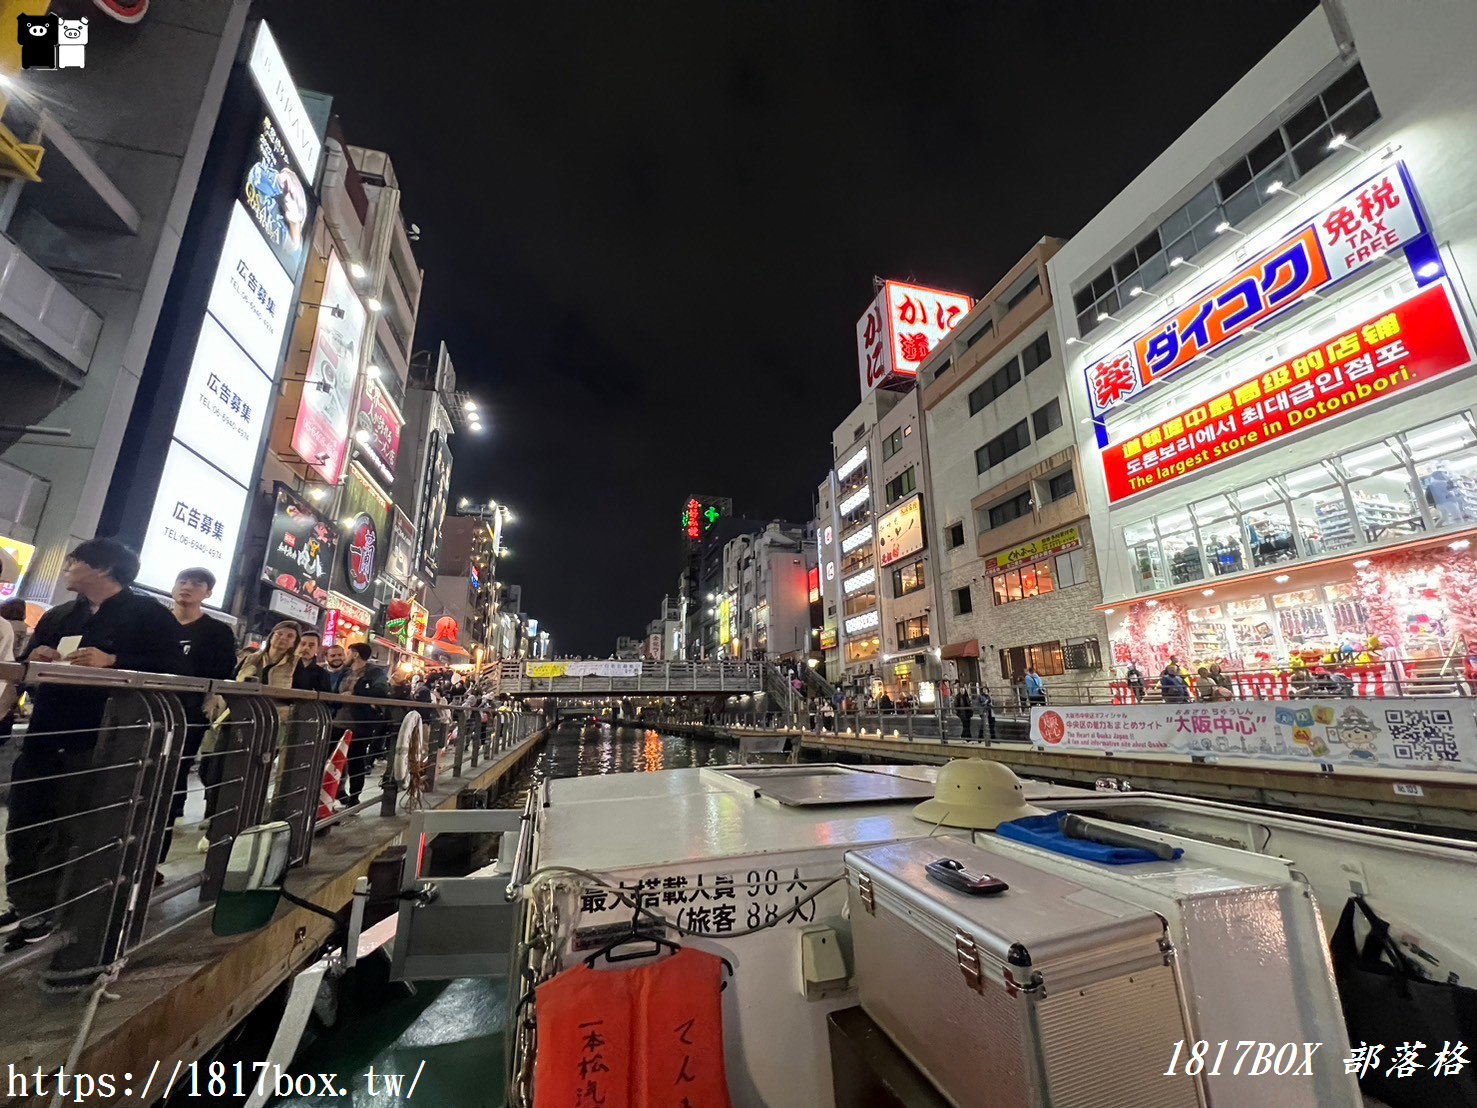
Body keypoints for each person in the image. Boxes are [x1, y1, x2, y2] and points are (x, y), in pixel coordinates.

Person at [3, 538, 186, 948]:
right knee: (24, 822)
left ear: (103, 569)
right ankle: (26, 904)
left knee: (75, 826)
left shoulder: (147, 615)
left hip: (100, 738)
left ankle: (54, 912)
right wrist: (40, 659)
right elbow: (25, 670)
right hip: (45, 733)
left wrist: (115, 663)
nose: (67, 567)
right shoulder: (58, 615)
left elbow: (174, 672)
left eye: (75, 561)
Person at [161, 568, 238, 868]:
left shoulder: (217, 632)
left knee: (171, 781)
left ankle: (154, 860)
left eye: (196, 584)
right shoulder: (155, 623)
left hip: (187, 718)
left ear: (208, 592)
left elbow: (221, 673)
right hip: (139, 714)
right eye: (182, 581)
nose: (187, 588)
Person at [341, 643, 390, 806]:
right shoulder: (344, 672)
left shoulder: (374, 673)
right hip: (338, 721)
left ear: (355, 654)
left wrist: (355, 694)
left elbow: (382, 692)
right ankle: (337, 793)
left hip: (360, 722)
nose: (345, 657)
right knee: (334, 760)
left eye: (348, 653)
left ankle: (354, 798)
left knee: (355, 760)